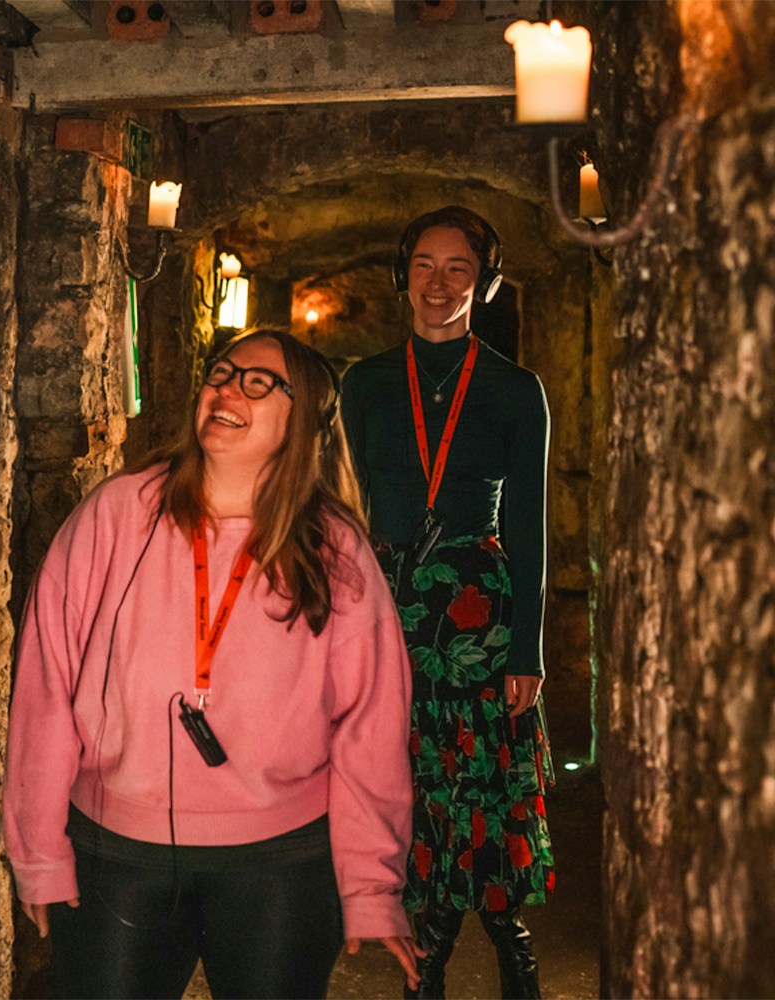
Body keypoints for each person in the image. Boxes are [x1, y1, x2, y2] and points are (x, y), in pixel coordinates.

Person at [4, 327, 419, 999]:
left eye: (259, 382)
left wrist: (372, 885)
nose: (227, 388)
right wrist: (40, 852)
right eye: (220, 373)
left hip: (280, 864)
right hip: (119, 851)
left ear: (305, 416)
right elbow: (47, 681)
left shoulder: (334, 549)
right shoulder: (118, 513)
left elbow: (371, 725)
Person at [340, 206, 556, 999]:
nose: (439, 284)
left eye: (458, 268)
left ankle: (512, 952)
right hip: (387, 607)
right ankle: (426, 959)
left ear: (484, 283)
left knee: (485, 790)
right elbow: (339, 508)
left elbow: (532, 527)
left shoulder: (513, 388)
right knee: (412, 785)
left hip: (479, 616)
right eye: (424, 266)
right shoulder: (363, 383)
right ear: (404, 277)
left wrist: (529, 649)